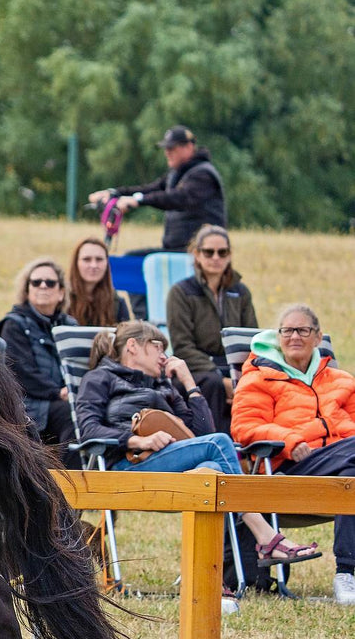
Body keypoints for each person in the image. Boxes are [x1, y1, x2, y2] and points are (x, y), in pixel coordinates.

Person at [76, 320, 317, 565]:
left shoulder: (163, 385)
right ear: (133, 346)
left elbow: (203, 434)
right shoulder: (99, 378)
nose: (164, 356)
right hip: (125, 469)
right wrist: (139, 439)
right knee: (219, 445)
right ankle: (266, 537)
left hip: (168, 466)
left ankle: (212, 576)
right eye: (158, 346)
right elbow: (88, 429)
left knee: (212, 472)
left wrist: (189, 382)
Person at [230, 305, 355, 605]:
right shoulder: (259, 377)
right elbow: (244, 427)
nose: (294, 336)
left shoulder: (342, 380)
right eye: (287, 330)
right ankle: (347, 576)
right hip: (290, 467)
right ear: (278, 336)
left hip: (342, 462)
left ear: (318, 337)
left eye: (302, 330)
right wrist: (288, 439)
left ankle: (347, 574)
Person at [166, 225, 256, 434]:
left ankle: (253, 446)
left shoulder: (240, 292)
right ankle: (216, 441)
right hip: (195, 367)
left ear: (229, 255)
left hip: (232, 365)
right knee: (213, 384)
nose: (216, 257)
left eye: (222, 252)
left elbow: (251, 339)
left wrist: (240, 374)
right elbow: (182, 346)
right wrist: (221, 376)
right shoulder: (181, 292)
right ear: (196, 254)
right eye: (209, 252)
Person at [87, 125, 226, 254]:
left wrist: (138, 200)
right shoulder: (176, 173)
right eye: (166, 149)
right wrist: (115, 193)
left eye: (172, 148)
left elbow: (178, 198)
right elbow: (151, 189)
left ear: (189, 147)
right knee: (131, 258)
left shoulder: (203, 174)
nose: (167, 153)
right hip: (174, 249)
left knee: (135, 262)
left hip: (200, 254)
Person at [0, 258, 78, 466]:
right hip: (29, 403)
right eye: (36, 282)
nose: (43, 286)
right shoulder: (14, 324)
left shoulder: (71, 326)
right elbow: (21, 372)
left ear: (61, 292)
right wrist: (58, 392)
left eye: (50, 283)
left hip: (66, 398)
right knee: (71, 415)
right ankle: (71, 480)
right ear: (27, 290)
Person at [65, 237, 131, 328]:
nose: (93, 265)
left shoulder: (117, 303)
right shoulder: (60, 300)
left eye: (99, 259)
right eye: (87, 259)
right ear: (76, 263)